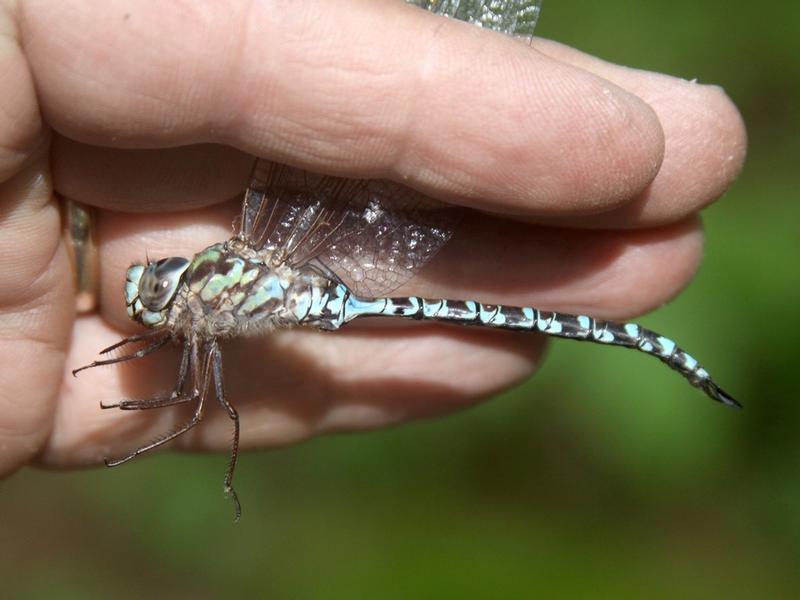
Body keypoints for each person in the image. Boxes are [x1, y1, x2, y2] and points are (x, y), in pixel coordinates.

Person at [0, 0, 746, 478]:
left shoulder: (213, 297)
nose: (156, 287)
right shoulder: (208, 306)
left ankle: (651, 343)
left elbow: (198, 400)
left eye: (157, 282)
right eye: (157, 285)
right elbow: (195, 394)